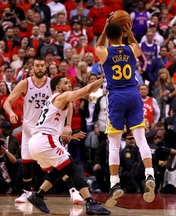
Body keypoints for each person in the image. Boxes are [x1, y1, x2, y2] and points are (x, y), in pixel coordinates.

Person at [27, 75, 110, 215]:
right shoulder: (61, 96)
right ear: (58, 87)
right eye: (66, 82)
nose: (69, 83)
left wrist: (69, 133)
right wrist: (103, 79)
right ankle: (90, 203)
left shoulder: (53, 101)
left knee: (61, 169)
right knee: (73, 168)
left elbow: (52, 124)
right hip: (45, 140)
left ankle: (38, 195)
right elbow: (86, 90)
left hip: (38, 142)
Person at [95, 20, 156, 207]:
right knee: (141, 140)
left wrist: (106, 28)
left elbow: (98, 45)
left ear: (108, 35)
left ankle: (114, 183)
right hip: (133, 94)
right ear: (122, 35)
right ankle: (150, 174)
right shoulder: (131, 49)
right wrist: (129, 32)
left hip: (116, 97)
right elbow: (138, 47)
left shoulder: (104, 51)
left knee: (114, 144)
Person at [3, 58, 52, 202]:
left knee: (53, 162)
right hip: (29, 129)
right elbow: (7, 102)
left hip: (46, 128)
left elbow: (67, 100)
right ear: (32, 68)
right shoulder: (25, 83)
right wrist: (11, 113)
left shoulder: (51, 83)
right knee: (26, 161)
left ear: (46, 67)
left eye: (42, 65)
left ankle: (71, 190)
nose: (40, 68)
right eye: (37, 65)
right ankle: (26, 192)